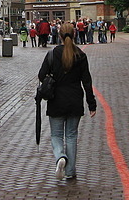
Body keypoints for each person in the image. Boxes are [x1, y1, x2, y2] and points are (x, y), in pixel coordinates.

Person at [38, 22, 97, 180]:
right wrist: (92, 104)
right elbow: (87, 81)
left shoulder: (52, 54)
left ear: (59, 36)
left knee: (56, 135)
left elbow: (41, 75)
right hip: (75, 99)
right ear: (75, 34)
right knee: (71, 136)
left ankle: (60, 157)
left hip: (56, 99)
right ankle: (70, 171)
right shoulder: (80, 55)